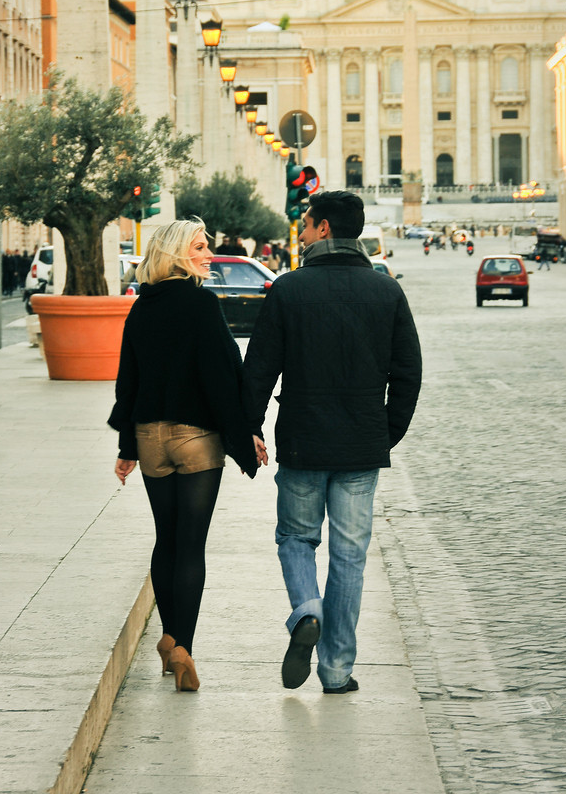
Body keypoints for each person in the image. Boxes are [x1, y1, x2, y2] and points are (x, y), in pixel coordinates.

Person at [242, 190, 422, 695]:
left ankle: (306, 609)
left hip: (302, 440)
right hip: (362, 446)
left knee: (296, 538)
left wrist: (249, 428)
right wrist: (387, 431)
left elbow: (258, 370)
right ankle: (337, 670)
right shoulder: (386, 292)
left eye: (305, 221)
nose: (300, 229)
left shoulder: (288, 289)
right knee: (349, 556)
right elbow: (409, 372)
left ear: (323, 229)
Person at [107, 218, 267, 693]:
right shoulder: (201, 304)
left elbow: (127, 382)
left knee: (167, 540)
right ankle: (182, 649)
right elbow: (223, 377)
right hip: (197, 439)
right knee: (192, 545)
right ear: (177, 254)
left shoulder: (141, 309)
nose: (208, 255)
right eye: (199, 247)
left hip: (151, 437)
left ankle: (169, 636)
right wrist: (246, 436)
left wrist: (126, 448)